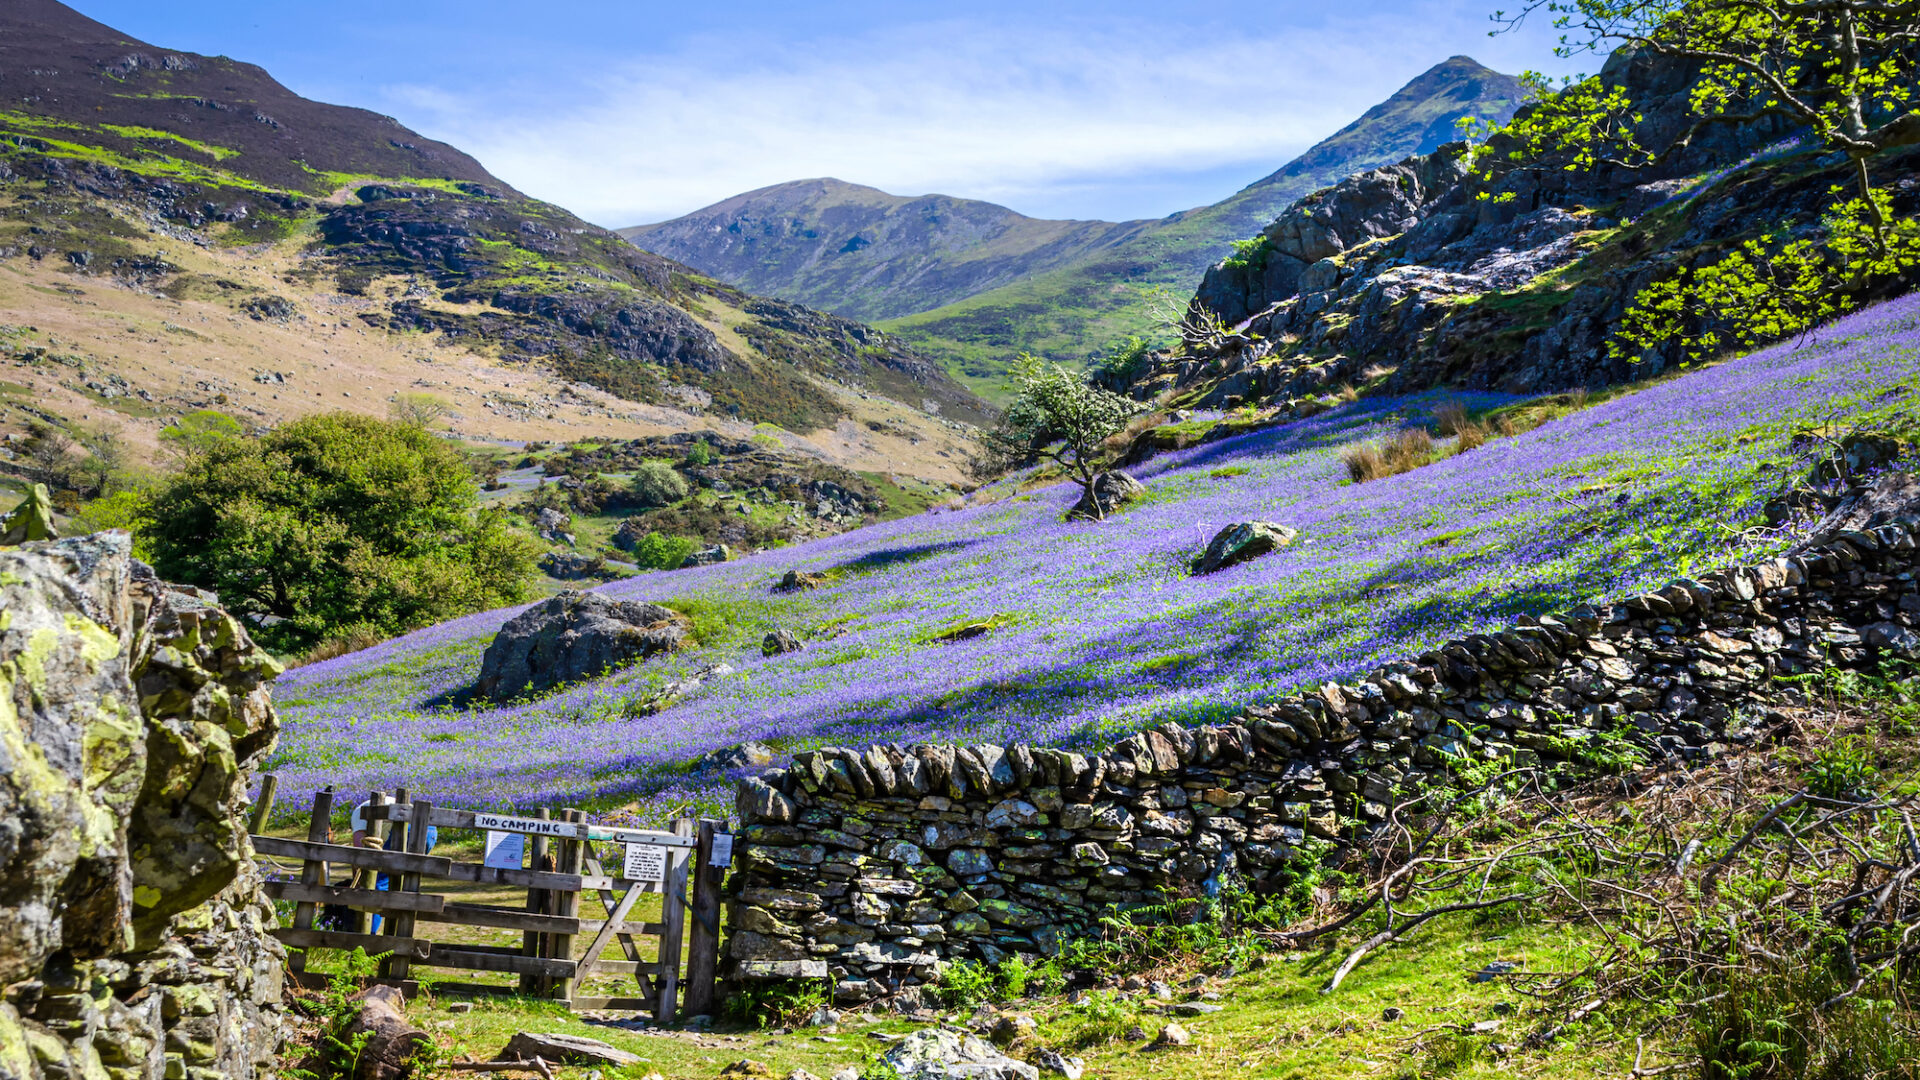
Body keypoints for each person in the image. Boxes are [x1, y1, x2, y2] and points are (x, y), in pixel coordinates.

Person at [348, 800, 438, 934]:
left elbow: (360, 852)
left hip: (407, 828)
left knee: (375, 884)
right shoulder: (372, 807)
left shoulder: (358, 815)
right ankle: (397, 930)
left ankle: (366, 935)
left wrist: (358, 881)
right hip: (429, 829)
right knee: (399, 879)